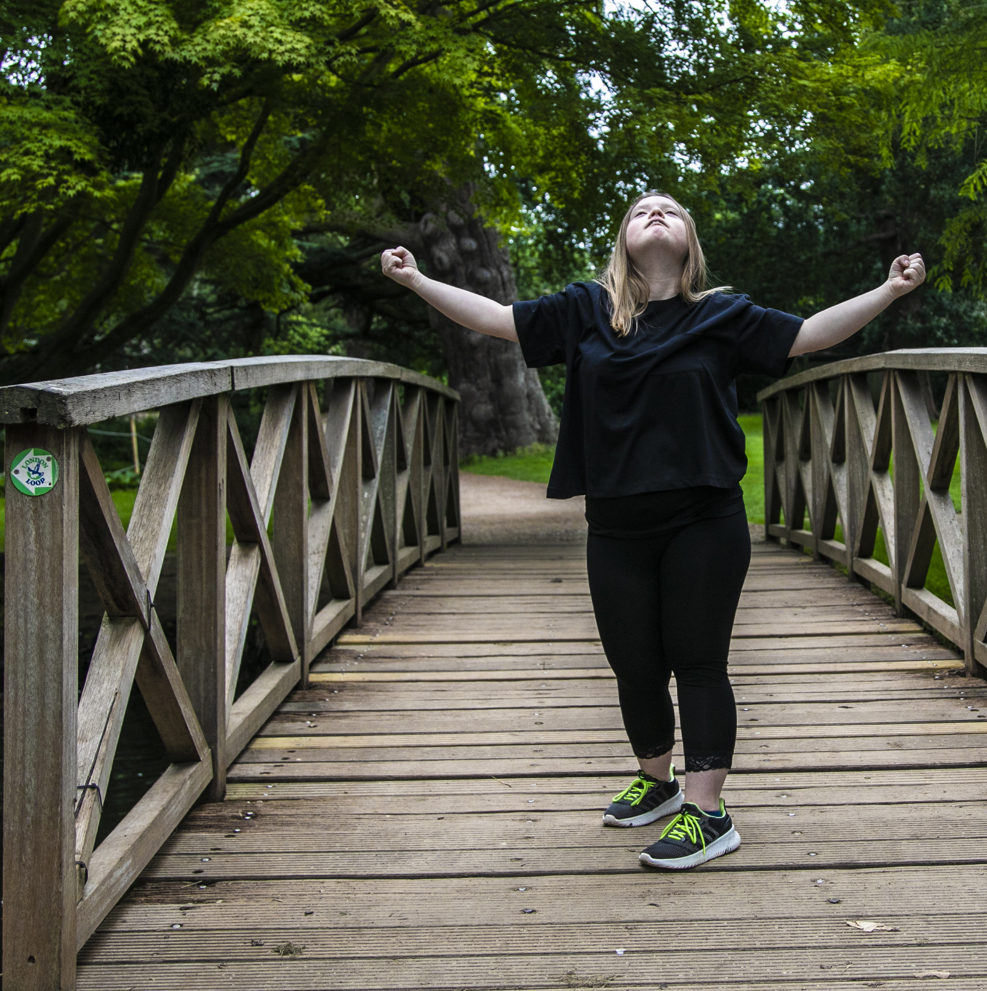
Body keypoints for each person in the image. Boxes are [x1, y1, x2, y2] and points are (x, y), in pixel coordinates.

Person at [381, 191, 925, 869]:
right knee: (634, 665)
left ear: (690, 238)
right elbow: (496, 319)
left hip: (703, 517)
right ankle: (658, 780)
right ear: (624, 239)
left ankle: (708, 812)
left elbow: (810, 335)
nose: (656, 213)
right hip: (614, 523)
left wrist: (888, 290)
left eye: (669, 208)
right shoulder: (585, 310)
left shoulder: (722, 315)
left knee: (698, 662)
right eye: (641, 210)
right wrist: (415, 280)